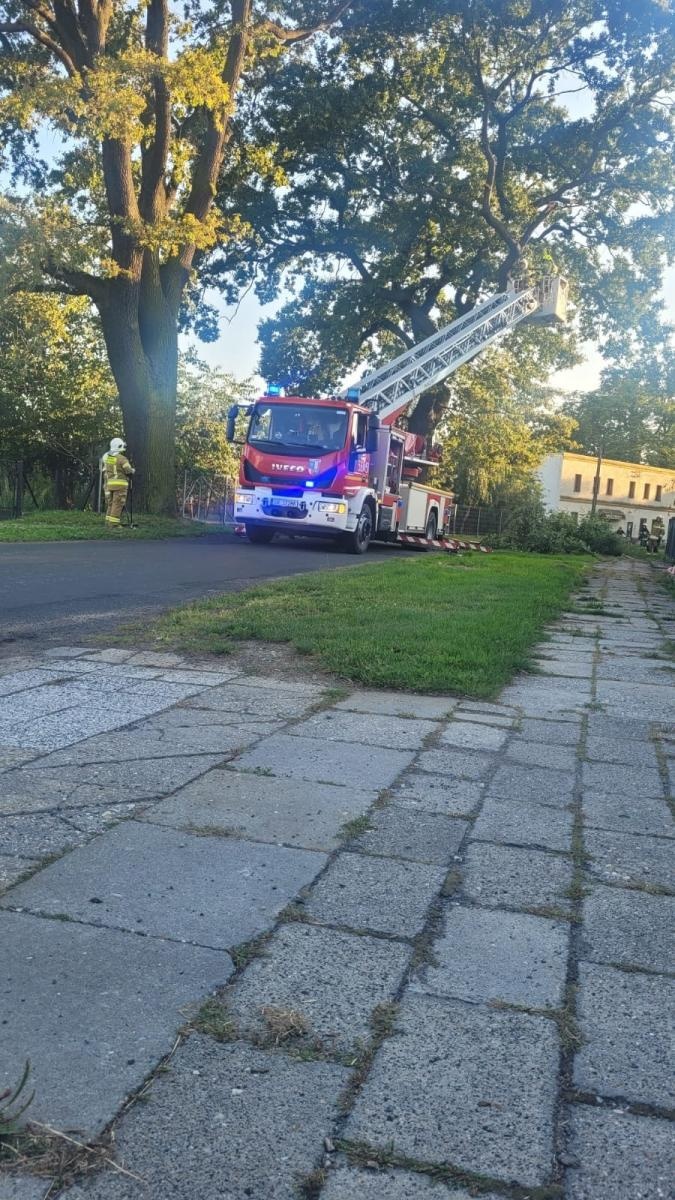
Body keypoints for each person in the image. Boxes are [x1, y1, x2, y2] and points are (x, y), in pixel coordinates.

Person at [103, 437, 134, 528]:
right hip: (120, 485)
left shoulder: (109, 458)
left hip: (110, 484)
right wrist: (132, 470)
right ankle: (114, 524)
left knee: (111, 504)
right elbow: (128, 471)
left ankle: (108, 522)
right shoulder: (122, 459)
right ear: (120, 446)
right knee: (118, 504)